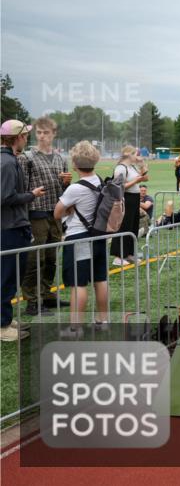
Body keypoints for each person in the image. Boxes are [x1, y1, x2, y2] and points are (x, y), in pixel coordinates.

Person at [54, 140, 110, 336]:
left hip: (79, 237)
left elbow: (57, 213)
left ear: (75, 165)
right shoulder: (101, 181)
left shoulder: (75, 189)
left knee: (78, 284)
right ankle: (103, 320)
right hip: (99, 236)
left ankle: (75, 328)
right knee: (100, 279)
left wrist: (69, 208)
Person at [19, 116, 71, 315]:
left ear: (54, 134)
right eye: (39, 133)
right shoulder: (27, 157)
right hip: (35, 213)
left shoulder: (60, 158)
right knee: (35, 259)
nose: (42, 136)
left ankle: (47, 295)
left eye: (46, 133)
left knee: (51, 258)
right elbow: (22, 187)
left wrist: (66, 182)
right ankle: (32, 301)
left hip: (55, 213)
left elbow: (63, 189)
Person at [1, 121, 44, 341]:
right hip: (10, 228)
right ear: (17, 137)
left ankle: (5, 319)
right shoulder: (7, 162)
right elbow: (5, 197)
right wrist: (31, 195)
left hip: (10, 226)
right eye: (25, 135)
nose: (27, 138)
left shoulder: (9, 159)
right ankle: (2, 325)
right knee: (7, 278)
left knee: (9, 277)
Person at [109, 146, 148, 266]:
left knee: (133, 226)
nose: (137, 156)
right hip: (126, 198)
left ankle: (129, 253)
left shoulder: (132, 167)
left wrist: (142, 164)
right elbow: (118, 187)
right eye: (135, 154)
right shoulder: (121, 168)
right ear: (128, 155)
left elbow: (146, 177)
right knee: (123, 226)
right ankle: (117, 256)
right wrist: (136, 181)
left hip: (134, 199)